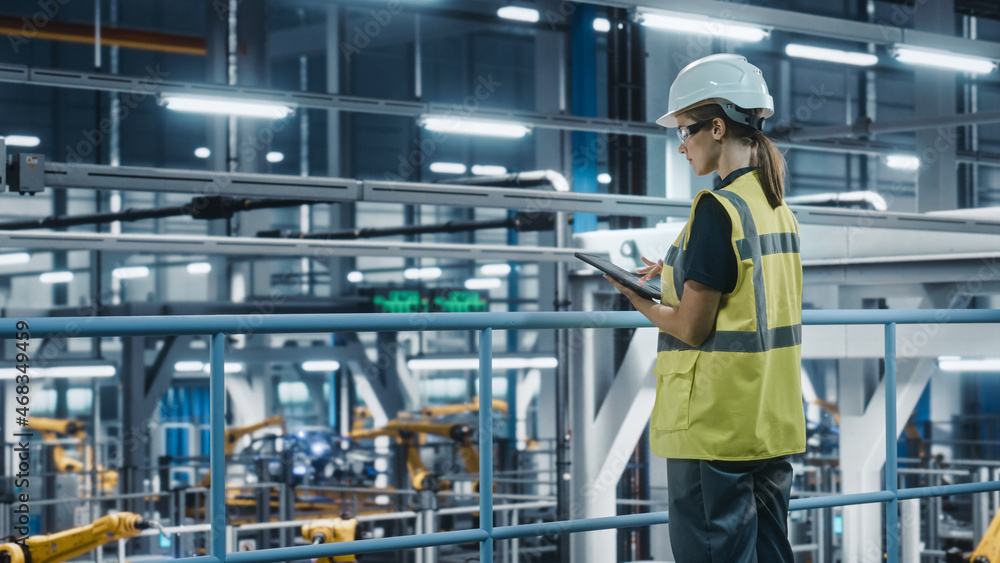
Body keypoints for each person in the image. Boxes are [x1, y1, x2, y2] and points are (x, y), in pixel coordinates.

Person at [602, 53, 806, 563]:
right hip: (769, 422)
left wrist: (633, 296)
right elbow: (744, 289)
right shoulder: (776, 208)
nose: (681, 145)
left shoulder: (715, 209)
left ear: (718, 128)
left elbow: (692, 328)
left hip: (714, 430)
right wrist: (671, 269)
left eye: (687, 130)